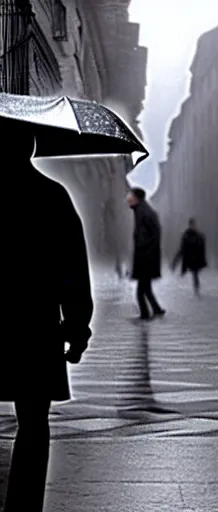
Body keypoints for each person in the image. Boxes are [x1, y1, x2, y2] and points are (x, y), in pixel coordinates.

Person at [0, 123, 93, 512]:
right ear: (32, 148)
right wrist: (76, 327)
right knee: (34, 423)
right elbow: (72, 268)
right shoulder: (51, 196)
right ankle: (24, 505)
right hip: (34, 325)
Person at [127, 187, 165, 320]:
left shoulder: (144, 212)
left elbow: (155, 232)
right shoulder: (141, 210)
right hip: (146, 256)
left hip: (146, 257)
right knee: (146, 288)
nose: (128, 198)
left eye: (130, 196)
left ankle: (145, 314)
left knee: (140, 290)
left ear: (137, 198)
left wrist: (143, 246)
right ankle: (157, 310)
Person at [172, 218, 208, 295]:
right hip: (189, 258)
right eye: (192, 225)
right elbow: (182, 249)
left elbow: (201, 245)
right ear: (190, 225)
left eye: (194, 225)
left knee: (195, 274)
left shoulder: (198, 235)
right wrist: (175, 262)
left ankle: (196, 290)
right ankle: (180, 277)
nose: (194, 226)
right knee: (192, 273)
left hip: (195, 259)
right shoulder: (186, 234)